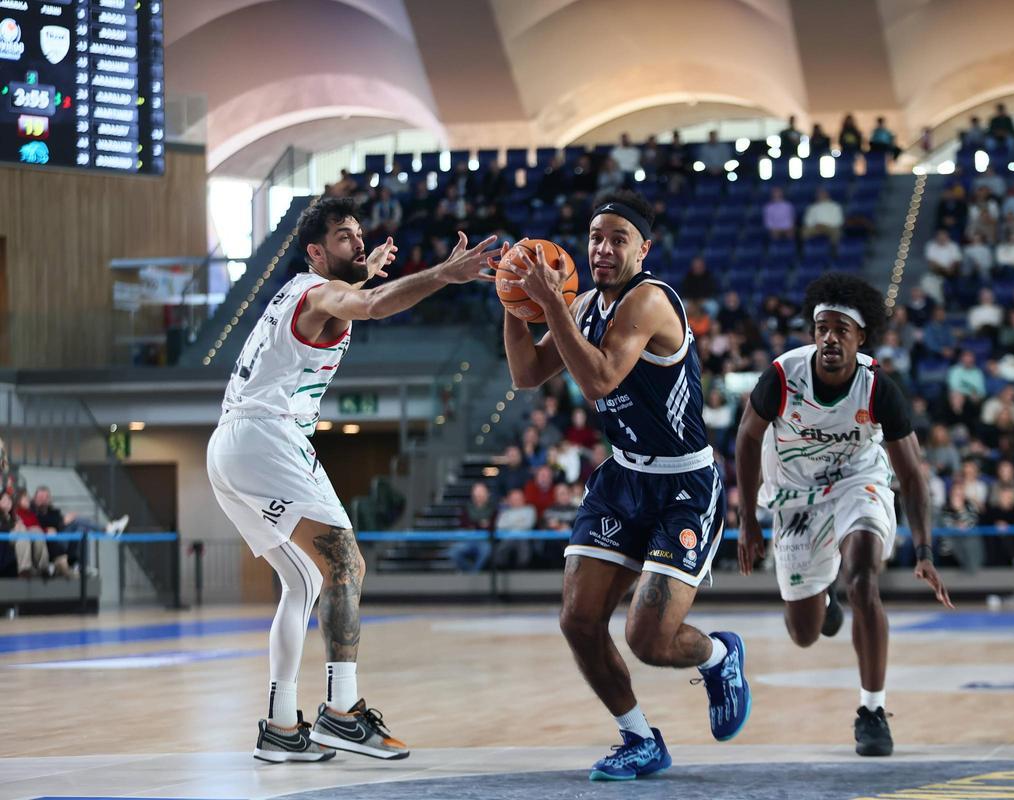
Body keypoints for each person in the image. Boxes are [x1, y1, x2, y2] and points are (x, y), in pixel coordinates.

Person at [206, 196, 498, 762]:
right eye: (345, 236)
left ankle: (280, 726)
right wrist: (444, 274)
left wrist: (362, 269)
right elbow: (370, 305)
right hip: (267, 436)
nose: (359, 242)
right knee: (346, 563)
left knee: (302, 583)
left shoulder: (299, 291)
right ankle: (341, 712)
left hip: (229, 445)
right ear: (316, 253)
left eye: (360, 234)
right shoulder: (321, 292)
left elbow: (352, 292)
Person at [501, 188, 750, 781]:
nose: (603, 249)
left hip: (684, 483)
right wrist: (513, 301)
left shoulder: (650, 300)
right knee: (578, 621)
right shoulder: (584, 304)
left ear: (644, 249)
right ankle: (639, 739)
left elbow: (601, 379)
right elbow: (527, 373)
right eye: (595, 237)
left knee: (649, 639)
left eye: (618, 238)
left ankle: (719, 655)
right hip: (623, 476)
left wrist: (549, 305)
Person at [734, 273, 952, 758]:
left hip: (858, 480)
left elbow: (911, 474)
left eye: (841, 330)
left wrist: (923, 550)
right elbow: (747, 439)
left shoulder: (878, 388)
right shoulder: (782, 376)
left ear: (860, 338)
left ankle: (872, 710)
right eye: (822, 329)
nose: (829, 338)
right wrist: (747, 519)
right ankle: (823, 600)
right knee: (803, 634)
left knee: (864, 581)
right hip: (795, 493)